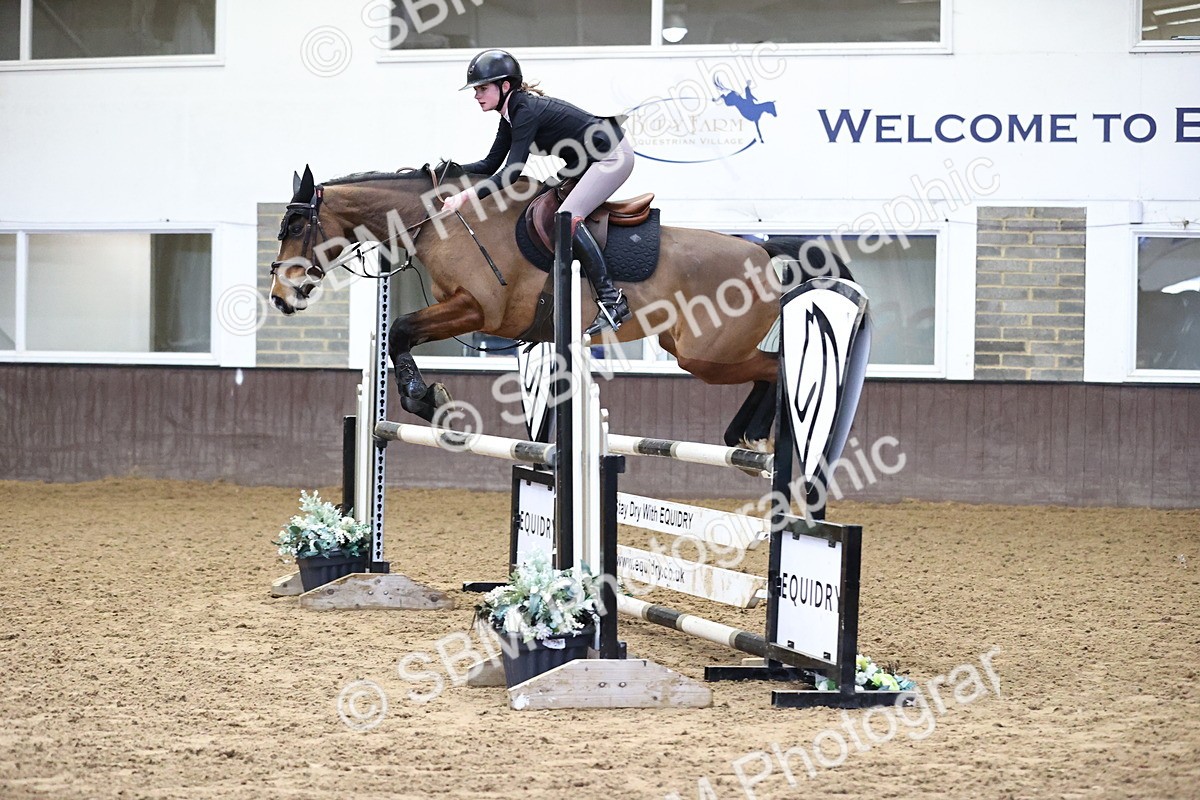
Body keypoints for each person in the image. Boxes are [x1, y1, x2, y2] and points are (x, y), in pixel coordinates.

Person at [442, 48, 635, 336]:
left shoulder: (525, 112)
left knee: (566, 217)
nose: (477, 95)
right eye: (476, 89)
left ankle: (612, 300)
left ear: (505, 86)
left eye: (482, 88)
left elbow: (511, 174)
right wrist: (449, 171)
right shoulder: (510, 115)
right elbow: (490, 164)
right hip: (585, 161)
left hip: (611, 156)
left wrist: (465, 197)